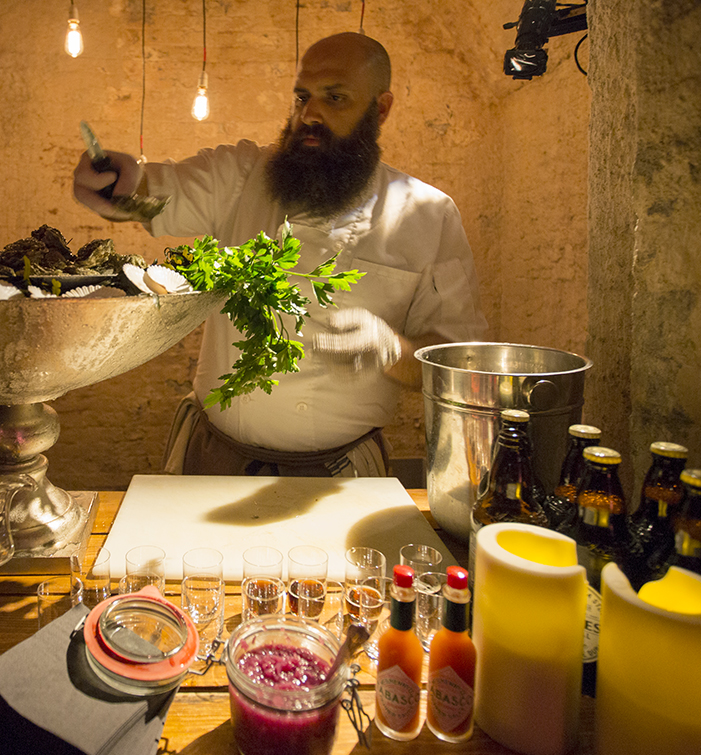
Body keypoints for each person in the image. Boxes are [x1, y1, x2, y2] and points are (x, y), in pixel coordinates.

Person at [73, 32, 487, 478]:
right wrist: (121, 186)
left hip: (342, 475)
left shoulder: (428, 215)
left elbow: (459, 366)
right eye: (302, 96)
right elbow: (157, 192)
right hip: (215, 460)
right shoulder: (241, 176)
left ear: (380, 108)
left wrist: (394, 350)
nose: (310, 114)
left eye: (335, 98)